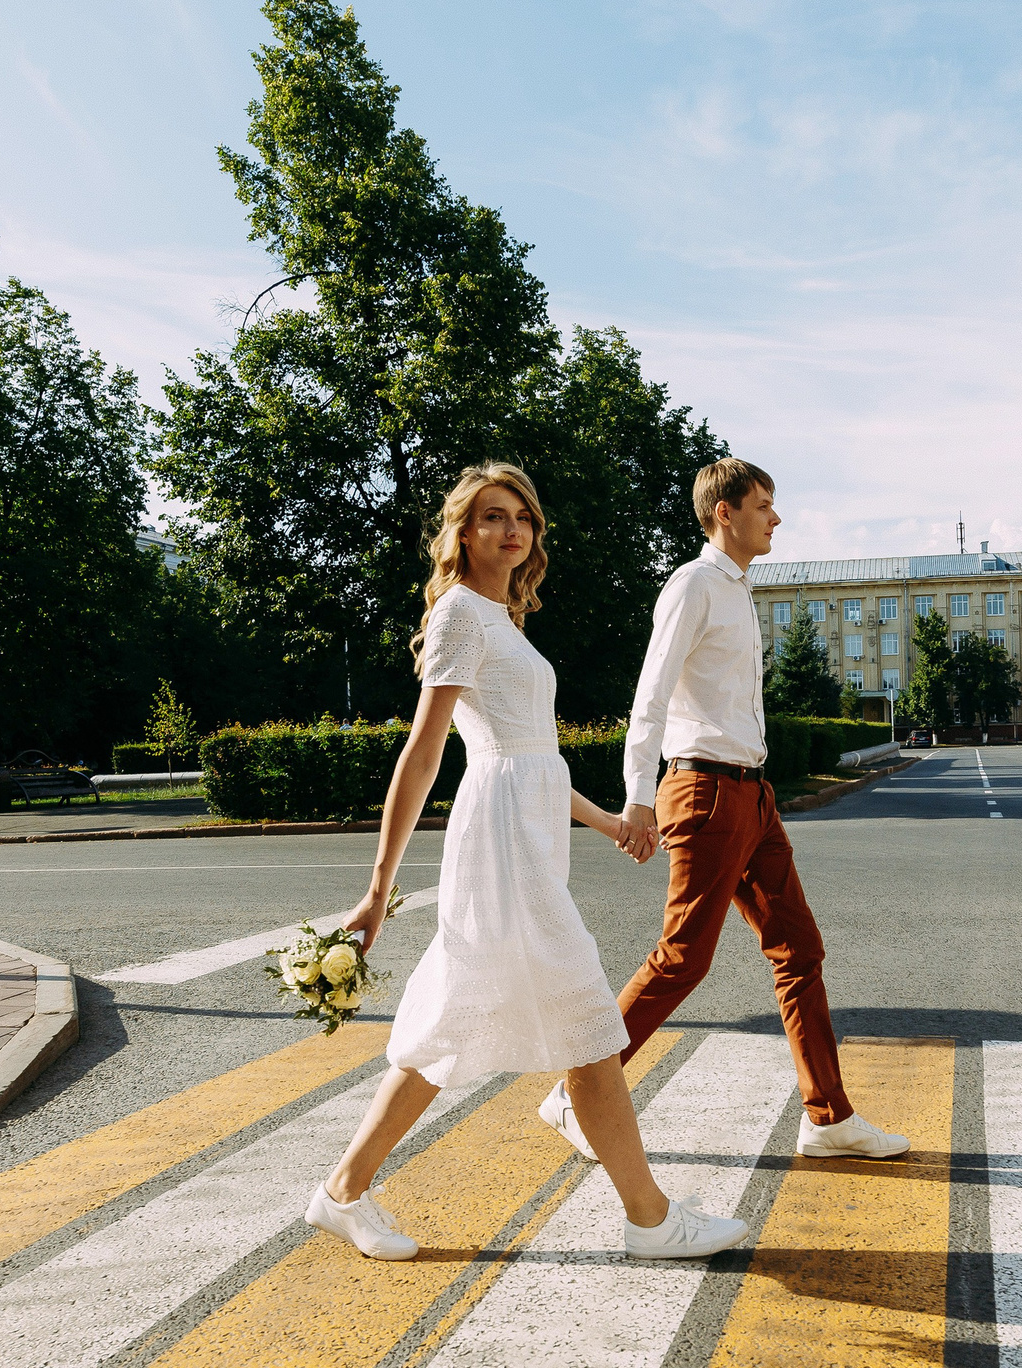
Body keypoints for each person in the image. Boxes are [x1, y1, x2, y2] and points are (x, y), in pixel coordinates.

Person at [308, 462, 752, 1262]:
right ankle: (649, 1218)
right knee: (584, 1010)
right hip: (501, 842)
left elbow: (533, 755)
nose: (512, 529)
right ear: (462, 532)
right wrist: (379, 888)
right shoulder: (460, 619)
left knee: (461, 1016)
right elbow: (425, 750)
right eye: (491, 517)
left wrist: (611, 821)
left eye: (522, 517)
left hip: (531, 830)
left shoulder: (501, 620)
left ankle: (342, 1190)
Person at [540, 458, 910, 1162]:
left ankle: (828, 1119)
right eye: (764, 505)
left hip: (751, 792)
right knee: (683, 958)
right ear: (725, 513)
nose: (776, 518)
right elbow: (649, 697)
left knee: (799, 949)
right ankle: (575, 1093)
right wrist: (638, 797)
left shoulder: (738, 592)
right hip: (706, 791)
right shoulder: (694, 586)